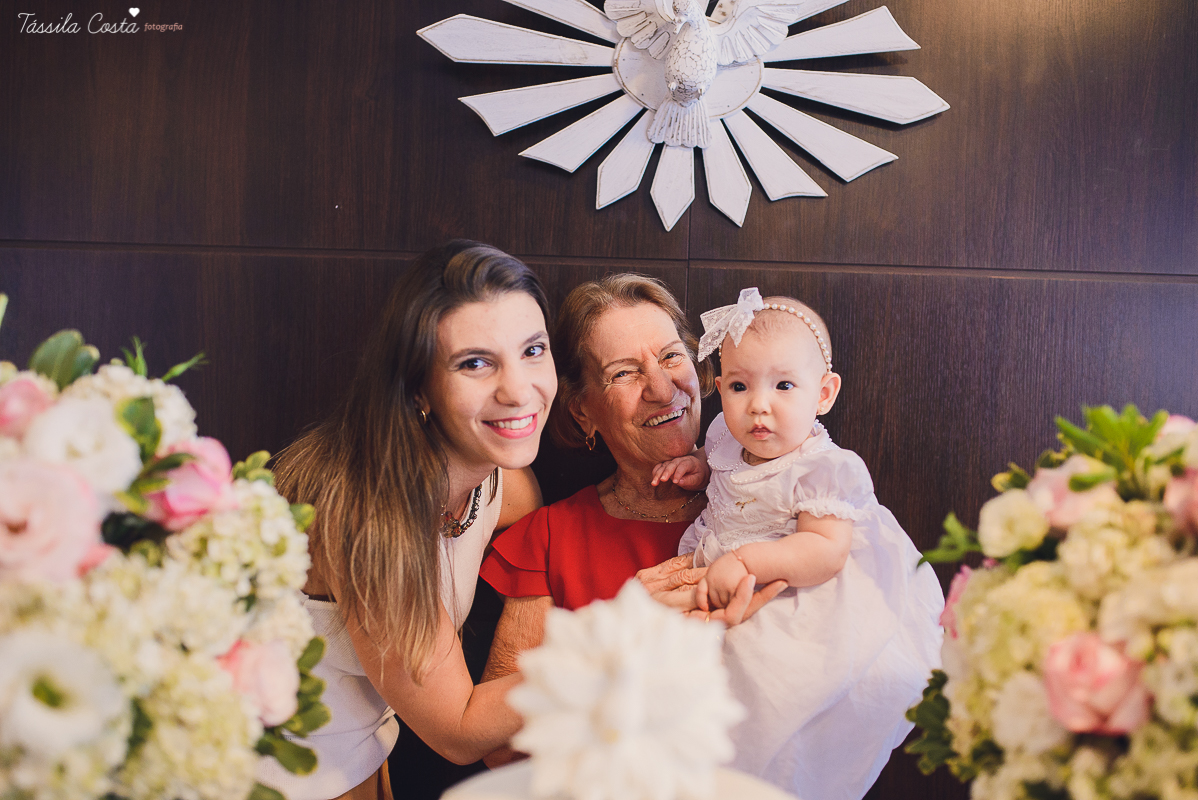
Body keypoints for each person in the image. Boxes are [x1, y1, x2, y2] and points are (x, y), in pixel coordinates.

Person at [261, 241, 558, 800]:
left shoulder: (498, 478)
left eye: (533, 350)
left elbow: (533, 524)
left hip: (365, 752)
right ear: (420, 384)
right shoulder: (365, 515)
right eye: (475, 362)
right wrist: (619, 646)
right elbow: (461, 731)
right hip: (271, 773)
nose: (520, 390)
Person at [653, 287, 945, 800]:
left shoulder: (824, 469)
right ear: (719, 388)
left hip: (798, 588)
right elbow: (720, 465)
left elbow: (823, 553)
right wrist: (697, 468)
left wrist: (746, 560)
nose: (758, 407)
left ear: (824, 393)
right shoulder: (725, 434)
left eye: (784, 385)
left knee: (772, 696)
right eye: (740, 386)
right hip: (728, 568)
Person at [479, 275, 785, 694]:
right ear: (583, 412)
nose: (661, 389)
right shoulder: (552, 538)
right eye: (623, 373)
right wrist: (613, 643)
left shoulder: (778, 490)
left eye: (671, 357)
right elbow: (500, 749)